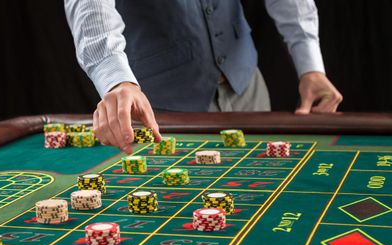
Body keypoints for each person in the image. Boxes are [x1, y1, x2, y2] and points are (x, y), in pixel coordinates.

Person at [64, 0, 343, 154]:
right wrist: (116, 80)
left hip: (247, 84)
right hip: (159, 105)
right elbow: (90, 6)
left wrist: (310, 64)